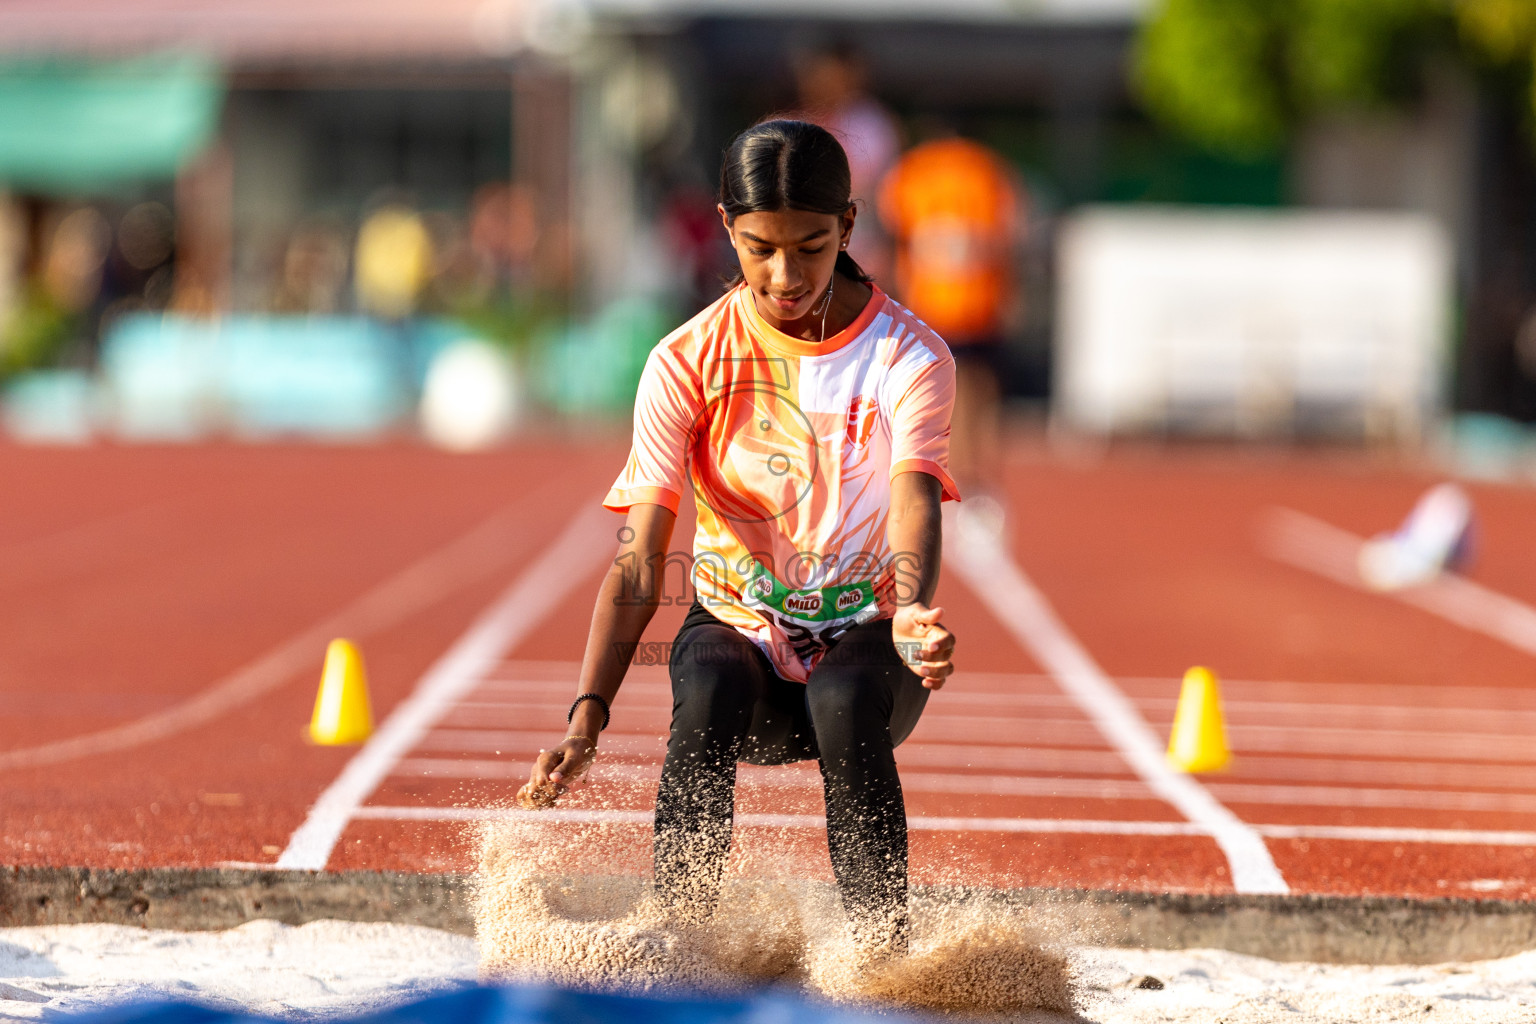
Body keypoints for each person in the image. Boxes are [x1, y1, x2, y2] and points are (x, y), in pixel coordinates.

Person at [520, 119, 959, 956]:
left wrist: (910, 611)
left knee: (840, 700)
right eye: (759, 248)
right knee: (711, 686)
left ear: (849, 228)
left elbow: (914, 500)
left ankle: (886, 959)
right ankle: (684, 945)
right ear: (727, 225)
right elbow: (641, 557)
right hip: (738, 634)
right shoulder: (685, 361)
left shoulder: (910, 356)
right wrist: (588, 717)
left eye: (811, 247)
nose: (785, 275)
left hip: (870, 639)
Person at [880, 133, 1022, 529]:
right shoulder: (988, 170)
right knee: (980, 388)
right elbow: (1006, 236)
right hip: (979, 298)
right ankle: (976, 473)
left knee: (933, 390)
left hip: (929, 299)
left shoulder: (912, 171)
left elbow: (897, 233)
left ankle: (942, 473)